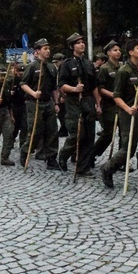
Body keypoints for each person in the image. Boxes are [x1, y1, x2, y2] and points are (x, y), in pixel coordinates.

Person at [99, 39, 138, 194]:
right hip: (129, 115)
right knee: (128, 150)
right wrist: (128, 109)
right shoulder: (124, 71)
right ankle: (108, 168)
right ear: (131, 52)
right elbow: (116, 96)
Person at [58, 33, 102, 176]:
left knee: (89, 135)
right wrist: (74, 89)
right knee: (78, 134)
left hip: (88, 100)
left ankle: (82, 167)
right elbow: (62, 85)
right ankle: (63, 155)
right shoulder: (67, 64)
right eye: (78, 43)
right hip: (73, 101)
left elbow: (94, 85)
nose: (82, 44)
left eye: (83, 42)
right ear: (72, 46)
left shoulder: (88, 63)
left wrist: (98, 104)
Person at [19, 39, 60, 169]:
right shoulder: (32, 66)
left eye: (48, 48)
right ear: (37, 52)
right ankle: (25, 151)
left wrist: (57, 102)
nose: (48, 51)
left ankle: (51, 158)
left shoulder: (52, 67)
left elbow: (54, 88)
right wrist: (33, 93)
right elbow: (23, 84)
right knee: (35, 130)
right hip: (34, 102)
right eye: (45, 49)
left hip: (48, 102)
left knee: (52, 131)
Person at [94, 40, 121, 159]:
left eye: (119, 50)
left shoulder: (123, 67)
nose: (118, 52)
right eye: (115, 50)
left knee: (124, 134)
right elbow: (100, 88)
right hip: (109, 106)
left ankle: (121, 159)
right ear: (108, 53)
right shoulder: (104, 69)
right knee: (108, 134)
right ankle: (92, 154)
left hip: (123, 105)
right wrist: (113, 95)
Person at [10, 62, 28, 151]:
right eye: (20, 71)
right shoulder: (12, 81)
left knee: (25, 126)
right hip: (15, 106)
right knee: (15, 126)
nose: (21, 73)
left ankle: (23, 144)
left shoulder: (27, 80)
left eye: (23, 71)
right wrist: (10, 93)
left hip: (25, 105)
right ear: (16, 71)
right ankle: (11, 140)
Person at [53, 52, 68, 137]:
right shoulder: (58, 69)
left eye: (57, 62)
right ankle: (63, 129)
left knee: (62, 113)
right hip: (59, 94)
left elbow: (62, 83)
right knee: (61, 113)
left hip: (63, 94)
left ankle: (64, 129)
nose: (56, 64)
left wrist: (63, 95)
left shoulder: (63, 69)